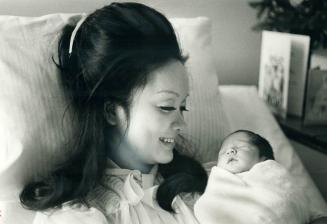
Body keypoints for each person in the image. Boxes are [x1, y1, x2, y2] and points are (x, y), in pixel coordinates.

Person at [20, 2, 207, 224]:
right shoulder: (75, 216)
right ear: (111, 111)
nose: (181, 124)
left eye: (182, 107)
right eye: (166, 107)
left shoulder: (206, 190)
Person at [194, 130, 327, 224]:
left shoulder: (273, 174)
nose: (230, 151)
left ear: (263, 158)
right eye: (223, 152)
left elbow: (294, 199)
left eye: (239, 147)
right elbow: (212, 205)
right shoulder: (217, 181)